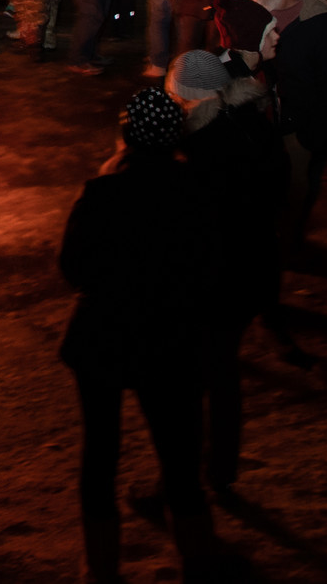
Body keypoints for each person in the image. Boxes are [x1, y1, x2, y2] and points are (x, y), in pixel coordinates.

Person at [58, 87, 223, 581]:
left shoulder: (102, 192)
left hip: (103, 334)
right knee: (178, 452)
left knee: (100, 451)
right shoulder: (197, 190)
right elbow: (210, 267)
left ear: (127, 134)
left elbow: (72, 268)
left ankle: (101, 567)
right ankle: (197, 556)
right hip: (171, 336)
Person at [166, 50, 286, 490]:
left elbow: (190, 225)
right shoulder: (254, 123)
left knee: (193, 381)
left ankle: (186, 477)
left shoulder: (199, 148)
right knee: (224, 374)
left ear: (189, 98)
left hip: (214, 280)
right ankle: (222, 468)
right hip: (254, 268)